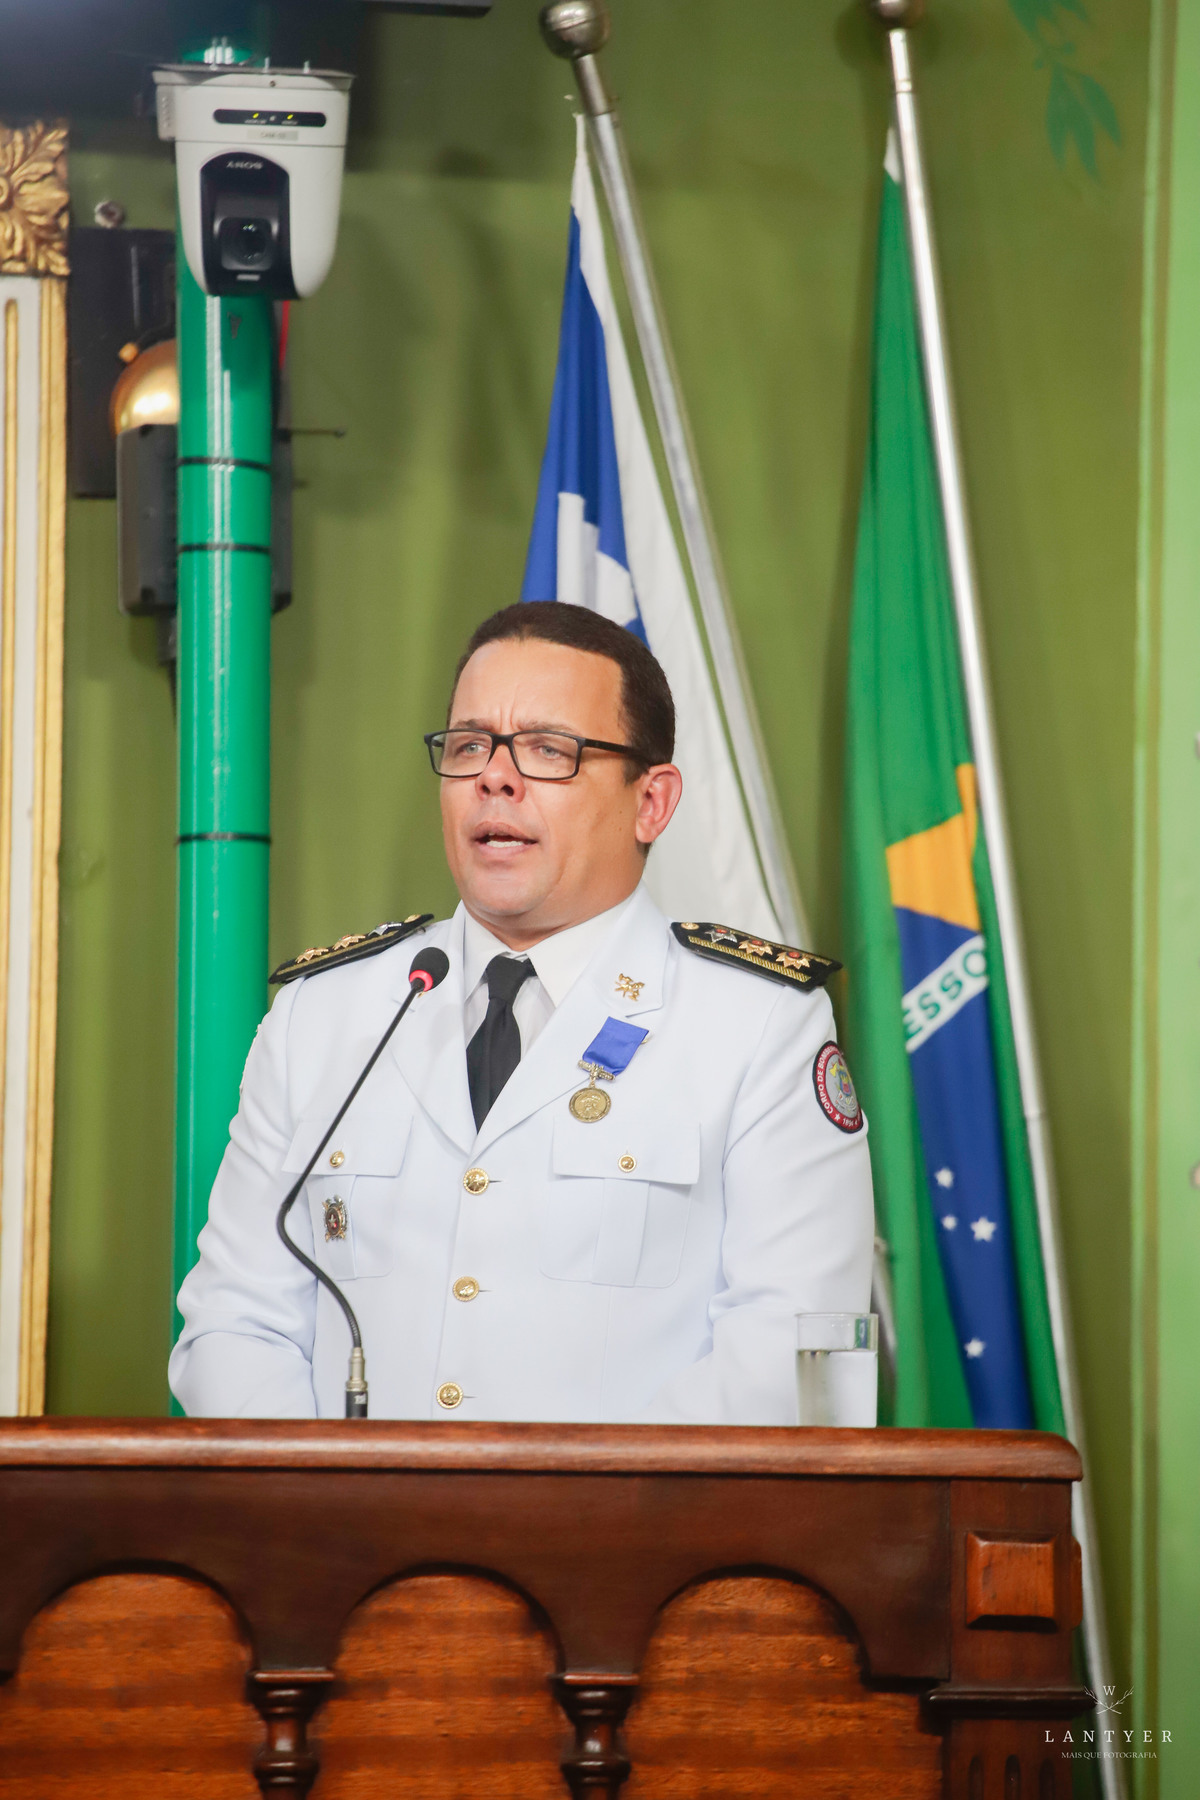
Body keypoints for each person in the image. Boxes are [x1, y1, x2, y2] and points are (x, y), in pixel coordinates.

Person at [170, 602, 874, 1423]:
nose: (493, 778)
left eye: (549, 750)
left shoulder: (758, 1027)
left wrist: (548, 1528)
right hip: (348, 1544)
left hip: (624, 1548)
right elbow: (234, 1324)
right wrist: (340, 1518)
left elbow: (788, 1354)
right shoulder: (322, 1017)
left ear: (652, 801)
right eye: (470, 745)